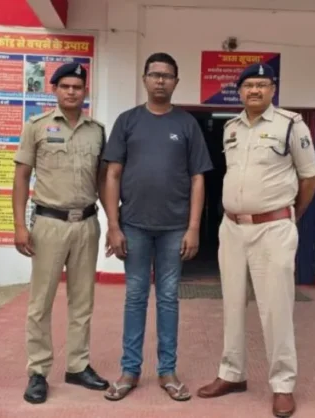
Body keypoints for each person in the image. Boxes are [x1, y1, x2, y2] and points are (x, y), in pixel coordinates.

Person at [196, 63, 315, 418]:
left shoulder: (291, 125)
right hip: (232, 228)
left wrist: (289, 214)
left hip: (273, 229)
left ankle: (282, 385)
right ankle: (231, 374)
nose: (254, 90)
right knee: (232, 304)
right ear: (240, 91)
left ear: (272, 90)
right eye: (248, 85)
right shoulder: (231, 127)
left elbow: (310, 177)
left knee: (276, 308)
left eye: (262, 85)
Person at [100, 52, 213, 402]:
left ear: (176, 82)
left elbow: (197, 179)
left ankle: (167, 371)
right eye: (154, 74)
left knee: (167, 299)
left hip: (174, 228)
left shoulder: (186, 124)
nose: (160, 80)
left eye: (167, 75)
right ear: (145, 79)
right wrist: (113, 225)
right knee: (135, 297)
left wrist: (193, 228)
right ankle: (129, 371)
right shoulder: (127, 121)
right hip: (133, 225)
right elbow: (112, 174)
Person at [12, 61, 110, 404]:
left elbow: (102, 180)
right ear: (54, 90)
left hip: (86, 224)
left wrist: (113, 223)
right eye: (65, 86)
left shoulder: (97, 131)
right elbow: (21, 177)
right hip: (49, 224)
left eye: (77, 87)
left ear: (85, 91)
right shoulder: (36, 127)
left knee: (83, 300)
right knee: (41, 301)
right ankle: (38, 371)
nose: (71, 91)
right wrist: (19, 225)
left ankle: (77, 365)